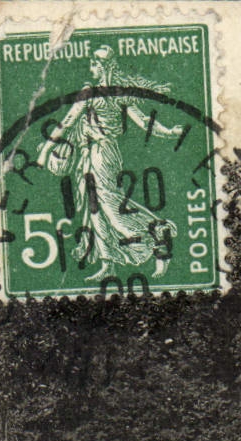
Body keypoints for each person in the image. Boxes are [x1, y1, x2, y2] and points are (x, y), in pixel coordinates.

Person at [35, 47, 183, 280]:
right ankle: (108, 264)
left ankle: (156, 232)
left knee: (111, 205)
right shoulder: (115, 93)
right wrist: (169, 132)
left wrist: (44, 152)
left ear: (102, 66)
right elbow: (144, 121)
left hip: (101, 154)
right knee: (95, 210)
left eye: (93, 65)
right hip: (95, 153)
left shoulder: (94, 92)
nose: (90, 69)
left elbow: (67, 122)